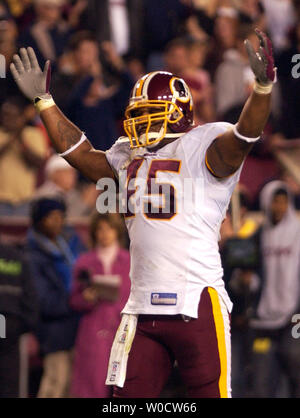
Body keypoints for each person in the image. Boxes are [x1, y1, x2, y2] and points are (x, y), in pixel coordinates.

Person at [11, 28, 276, 398]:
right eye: (137, 114)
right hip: (140, 307)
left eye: (150, 114)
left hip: (195, 300)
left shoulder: (204, 146)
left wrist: (262, 90)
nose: (140, 123)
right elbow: (81, 155)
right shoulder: (126, 155)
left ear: (178, 114)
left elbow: (245, 135)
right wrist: (44, 101)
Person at [26, 197, 84, 398]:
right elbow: (43, 301)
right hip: (54, 331)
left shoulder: (71, 245)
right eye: (51, 217)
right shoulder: (32, 256)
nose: (57, 221)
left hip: (78, 326)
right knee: (55, 384)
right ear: (39, 220)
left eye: (60, 216)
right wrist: (77, 300)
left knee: (72, 387)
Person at [70, 212, 131, 398]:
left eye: (109, 229)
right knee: (91, 387)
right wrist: (86, 299)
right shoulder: (84, 262)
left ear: (117, 231)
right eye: (100, 229)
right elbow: (73, 299)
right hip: (93, 332)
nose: (104, 233)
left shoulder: (129, 261)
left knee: (123, 387)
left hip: (122, 331)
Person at [248, 181, 300, 398]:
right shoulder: (259, 234)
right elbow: (252, 272)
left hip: (295, 316)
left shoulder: (298, 232)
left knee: (295, 368)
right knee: (263, 380)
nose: (279, 207)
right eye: (275, 201)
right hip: (263, 320)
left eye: (283, 201)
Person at [0, 240, 38, 398]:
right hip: (11, 325)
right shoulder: (16, 256)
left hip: (9, 325)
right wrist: (21, 326)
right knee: (10, 385)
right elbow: (31, 301)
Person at [0, 96, 47, 216]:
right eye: (4, 115)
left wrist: (20, 137)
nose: (6, 119)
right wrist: (16, 133)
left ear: (21, 117)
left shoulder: (34, 134)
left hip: (24, 201)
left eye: (11, 116)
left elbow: (37, 162)